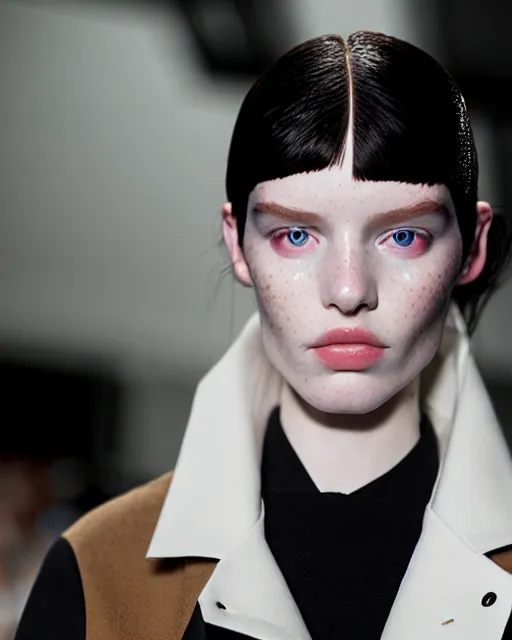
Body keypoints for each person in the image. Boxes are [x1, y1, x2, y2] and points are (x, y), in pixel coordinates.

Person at [14, 30, 512, 640]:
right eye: (296, 235)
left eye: (403, 236)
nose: (350, 289)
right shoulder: (97, 574)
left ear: (473, 247)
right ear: (237, 244)